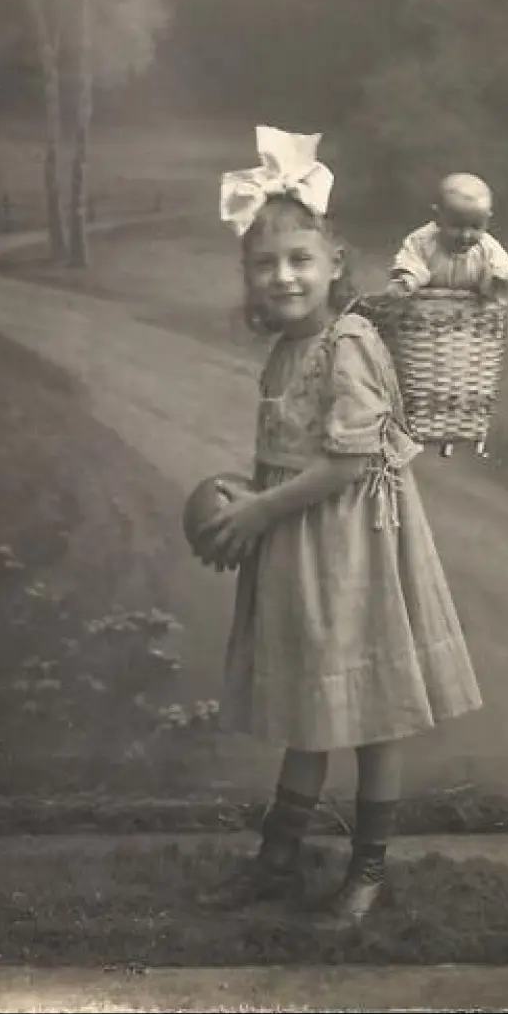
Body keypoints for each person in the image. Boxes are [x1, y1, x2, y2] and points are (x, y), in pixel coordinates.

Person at [197, 126, 482, 930]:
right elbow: (285, 458)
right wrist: (241, 507)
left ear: (334, 263)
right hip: (302, 550)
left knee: (371, 712)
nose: (284, 276)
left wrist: (258, 511)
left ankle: (368, 870)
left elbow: (349, 463)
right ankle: (278, 859)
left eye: (300, 259)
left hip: (356, 550)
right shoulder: (288, 349)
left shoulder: (347, 343)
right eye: (266, 264)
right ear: (249, 277)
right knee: (313, 706)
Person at [386, 172, 508, 300]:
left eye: (476, 227)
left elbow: (500, 267)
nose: (466, 236)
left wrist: (498, 280)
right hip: (428, 306)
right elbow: (411, 263)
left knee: (499, 279)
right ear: (437, 217)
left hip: (473, 308)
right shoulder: (421, 241)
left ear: (487, 220)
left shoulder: (487, 247)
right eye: (457, 226)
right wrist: (409, 279)